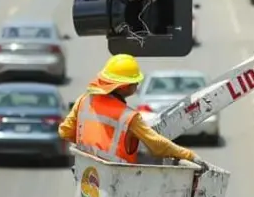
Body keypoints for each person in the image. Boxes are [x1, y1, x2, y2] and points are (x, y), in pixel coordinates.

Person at [58, 54, 208, 168]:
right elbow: (157, 145)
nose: (137, 84)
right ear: (123, 86)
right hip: (119, 180)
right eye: (135, 81)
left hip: (88, 174)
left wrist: (92, 146)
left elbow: (65, 132)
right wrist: (189, 155)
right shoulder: (129, 117)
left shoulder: (83, 100)